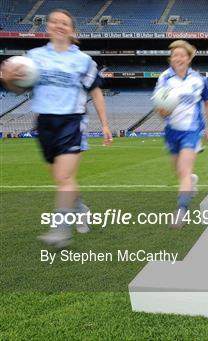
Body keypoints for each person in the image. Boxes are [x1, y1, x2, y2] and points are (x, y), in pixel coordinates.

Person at [0, 9, 112, 247]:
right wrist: (9, 79)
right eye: (55, 22)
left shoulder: (83, 61)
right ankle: (80, 208)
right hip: (45, 122)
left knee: (64, 176)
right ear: (48, 27)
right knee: (62, 178)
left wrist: (104, 124)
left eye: (65, 23)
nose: (60, 25)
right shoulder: (34, 57)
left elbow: (96, 91)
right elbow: (19, 89)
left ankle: (60, 228)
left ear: (72, 30)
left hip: (72, 121)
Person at [153, 40, 208, 227]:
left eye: (181, 55)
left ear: (188, 58)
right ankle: (191, 181)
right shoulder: (164, 78)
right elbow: (159, 108)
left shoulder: (199, 80)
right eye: (174, 55)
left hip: (191, 130)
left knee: (185, 170)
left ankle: (181, 210)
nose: (177, 58)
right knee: (179, 172)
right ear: (171, 59)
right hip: (171, 131)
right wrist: (164, 110)